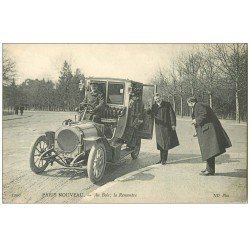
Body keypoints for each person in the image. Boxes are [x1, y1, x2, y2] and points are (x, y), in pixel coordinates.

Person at [187, 97, 232, 176]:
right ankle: (209, 169)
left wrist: (196, 120)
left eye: (188, 104)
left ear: (191, 102)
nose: (189, 106)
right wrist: (197, 132)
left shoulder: (198, 105)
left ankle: (210, 170)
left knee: (209, 151)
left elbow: (204, 114)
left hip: (208, 131)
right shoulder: (199, 105)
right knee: (209, 151)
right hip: (206, 130)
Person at [148, 93, 179, 165]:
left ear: (161, 97)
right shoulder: (154, 106)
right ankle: (161, 159)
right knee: (160, 143)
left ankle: (164, 159)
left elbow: (172, 114)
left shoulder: (167, 104)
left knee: (165, 142)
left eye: (158, 98)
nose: (157, 100)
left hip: (166, 126)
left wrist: (173, 124)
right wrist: (149, 110)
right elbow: (151, 115)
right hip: (158, 127)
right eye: (156, 99)